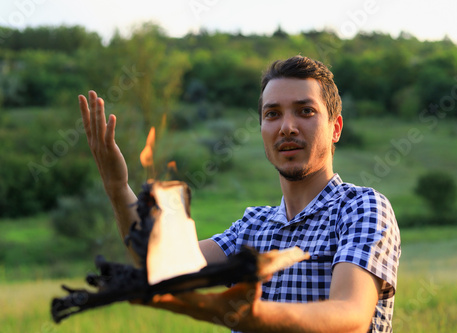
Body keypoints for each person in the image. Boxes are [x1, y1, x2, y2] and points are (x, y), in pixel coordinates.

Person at [79, 55, 401, 333]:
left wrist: (253, 316)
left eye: (305, 111)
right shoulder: (252, 226)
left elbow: (350, 318)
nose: (287, 126)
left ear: (335, 128)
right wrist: (117, 186)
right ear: (262, 129)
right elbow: (160, 264)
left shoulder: (361, 208)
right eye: (272, 114)